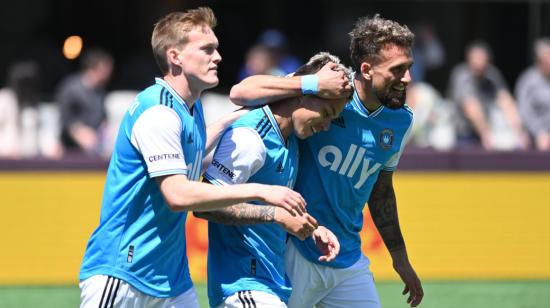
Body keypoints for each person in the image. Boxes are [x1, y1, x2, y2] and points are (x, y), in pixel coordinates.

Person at [79, 7, 307, 308]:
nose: (218, 57)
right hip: (123, 273)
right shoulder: (158, 112)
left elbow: (193, 150)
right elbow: (176, 194)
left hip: (171, 279)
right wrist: (262, 191)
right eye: (207, 49)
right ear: (175, 56)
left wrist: (236, 117)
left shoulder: (190, 107)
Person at [230, 14, 423, 308]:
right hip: (295, 251)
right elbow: (240, 92)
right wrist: (309, 83)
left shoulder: (401, 120)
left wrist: (400, 259)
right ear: (367, 69)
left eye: (408, 68)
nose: (407, 78)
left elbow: (381, 189)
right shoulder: (325, 93)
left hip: (348, 260)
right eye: (398, 69)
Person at [195, 52, 348, 308]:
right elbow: (204, 204)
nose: (326, 127)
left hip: (270, 285)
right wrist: (274, 215)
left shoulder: (291, 140)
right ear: (303, 93)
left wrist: (312, 227)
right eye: (327, 113)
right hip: (243, 287)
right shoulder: (251, 137)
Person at [447, 40, 528, 150]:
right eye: (476, 58)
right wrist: (486, 134)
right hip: (464, 136)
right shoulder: (462, 75)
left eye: (482, 58)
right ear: (468, 59)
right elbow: (470, 107)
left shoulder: (492, 75)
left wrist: (520, 132)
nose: (479, 62)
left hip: (489, 134)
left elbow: (506, 101)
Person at [56, 48, 114, 156]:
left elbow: (102, 119)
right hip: (70, 150)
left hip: (95, 149)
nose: (110, 71)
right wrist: (77, 131)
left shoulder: (100, 90)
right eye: (107, 67)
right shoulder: (71, 88)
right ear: (94, 68)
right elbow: (64, 119)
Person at [515, 37, 550, 151]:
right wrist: (539, 132)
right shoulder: (528, 80)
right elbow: (524, 111)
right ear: (539, 59)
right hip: (535, 137)